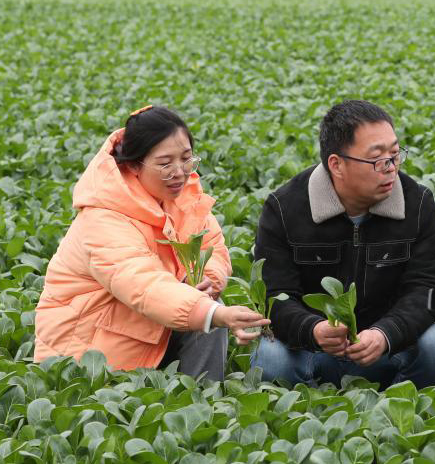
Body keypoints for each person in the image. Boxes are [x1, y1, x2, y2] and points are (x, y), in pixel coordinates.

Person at [34, 105, 268, 380]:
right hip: (88, 355)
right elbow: (143, 284)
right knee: (207, 315)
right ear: (134, 165)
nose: (180, 172)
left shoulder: (183, 198)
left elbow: (212, 247)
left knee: (206, 310)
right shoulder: (103, 218)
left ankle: (205, 407)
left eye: (187, 159)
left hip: (144, 331)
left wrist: (206, 282)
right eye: (165, 163)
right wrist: (211, 312)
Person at [250, 100, 435, 389]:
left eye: (396, 155)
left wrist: (385, 334)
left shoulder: (417, 202)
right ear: (336, 164)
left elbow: (428, 287)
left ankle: (400, 406)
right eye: (377, 160)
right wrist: (314, 330)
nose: (390, 168)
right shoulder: (285, 207)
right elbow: (275, 295)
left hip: (386, 350)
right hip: (313, 351)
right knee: (270, 356)